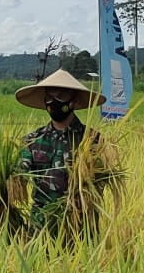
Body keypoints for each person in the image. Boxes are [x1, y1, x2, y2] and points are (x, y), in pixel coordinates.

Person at [15, 69, 106, 235]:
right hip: (40, 229)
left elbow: (99, 183)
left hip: (81, 229)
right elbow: (18, 176)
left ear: (75, 101)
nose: (53, 102)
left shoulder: (92, 140)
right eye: (49, 97)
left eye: (60, 96)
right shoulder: (32, 141)